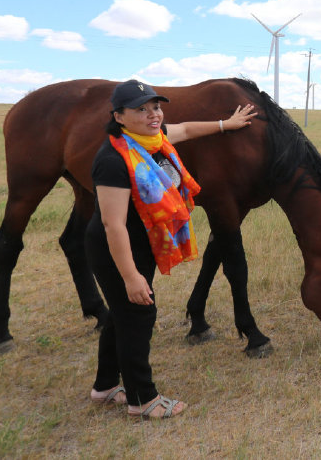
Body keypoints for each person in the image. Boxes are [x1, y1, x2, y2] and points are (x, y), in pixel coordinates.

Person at [86, 79, 257, 419]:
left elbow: (189, 128)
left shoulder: (155, 139)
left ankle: (105, 386)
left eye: (155, 107)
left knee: (123, 314)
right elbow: (113, 225)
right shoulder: (113, 159)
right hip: (116, 249)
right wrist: (131, 276)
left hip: (143, 242)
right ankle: (141, 399)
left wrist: (227, 124)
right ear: (119, 116)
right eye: (141, 109)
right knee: (138, 314)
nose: (153, 115)